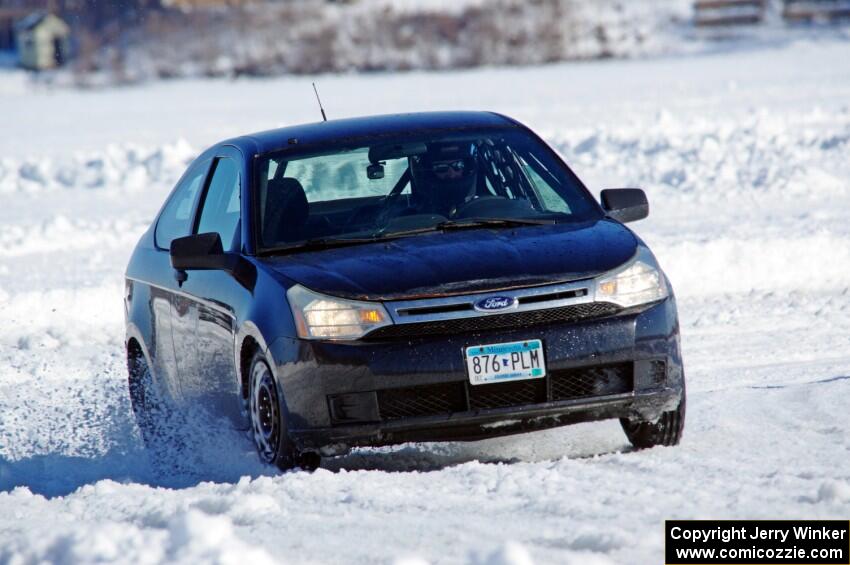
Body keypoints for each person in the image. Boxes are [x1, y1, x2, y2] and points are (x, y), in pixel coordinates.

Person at [411, 141, 479, 217]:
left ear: (466, 168)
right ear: (430, 174)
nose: (452, 174)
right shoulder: (416, 218)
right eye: (441, 167)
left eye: (458, 165)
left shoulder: (481, 210)